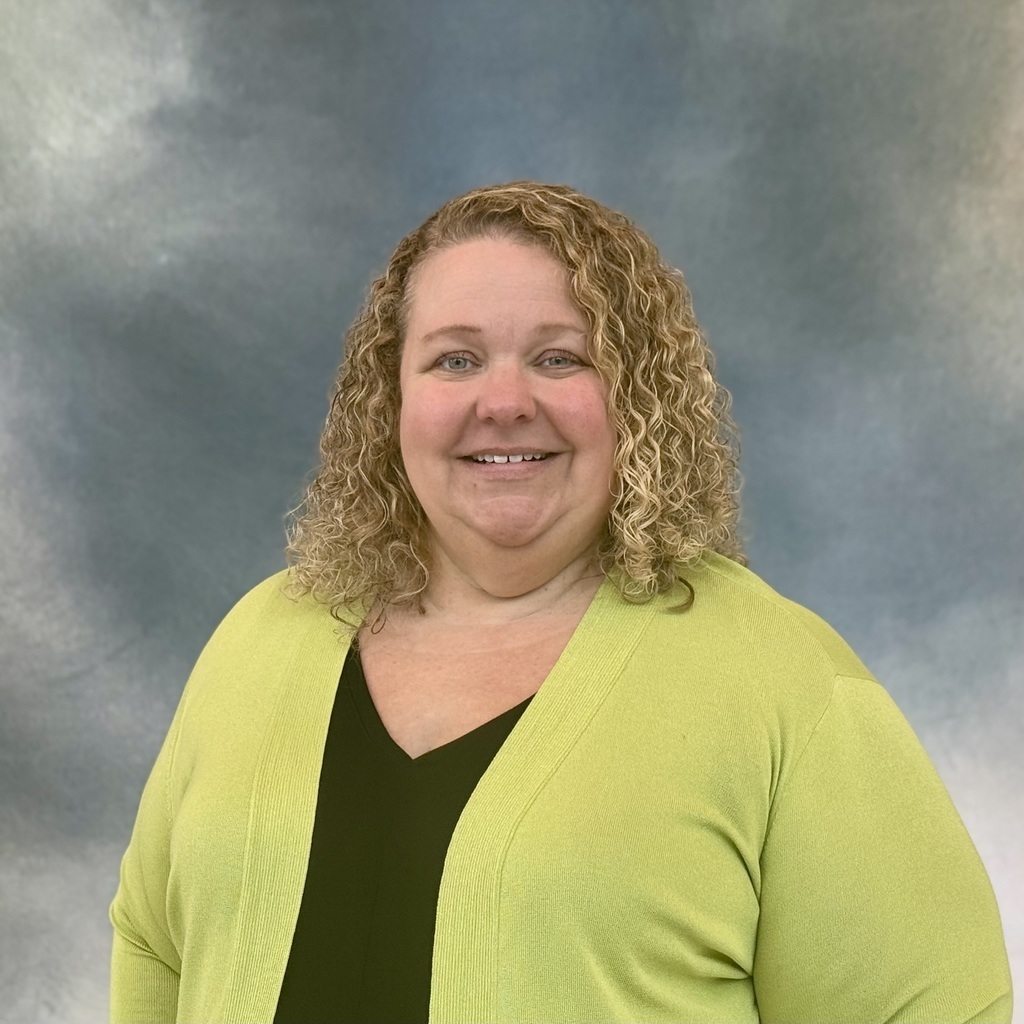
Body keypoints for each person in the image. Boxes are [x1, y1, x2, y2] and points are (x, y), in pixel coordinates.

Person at [109, 181, 1013, 1023]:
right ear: (390, 397)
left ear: (639, 398)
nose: (503, 402)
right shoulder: (262, 638)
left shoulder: (782, 685)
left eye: (560, 358)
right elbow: (153, 940)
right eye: (455, 359)